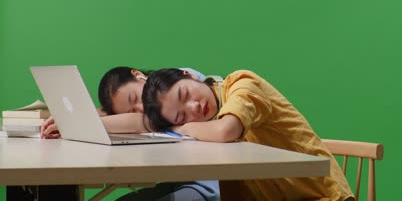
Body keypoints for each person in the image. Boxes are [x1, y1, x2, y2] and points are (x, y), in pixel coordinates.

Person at [142, 68, 354, 201]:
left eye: (185, 94)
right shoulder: (209, 123)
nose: (194, 107)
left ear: (188, 75)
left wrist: (184, 127)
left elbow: (227, 131)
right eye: (182, 116)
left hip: (321, 196)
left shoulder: (242, 84)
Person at [40, 66, 220, 201]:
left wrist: (77, 123)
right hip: (182, 180)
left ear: (138, 75)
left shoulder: (180, 84)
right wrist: (82, 115)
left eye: (135, 98)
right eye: (132, 110)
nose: (141, 109)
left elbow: (141, 122)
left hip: (209, 186)